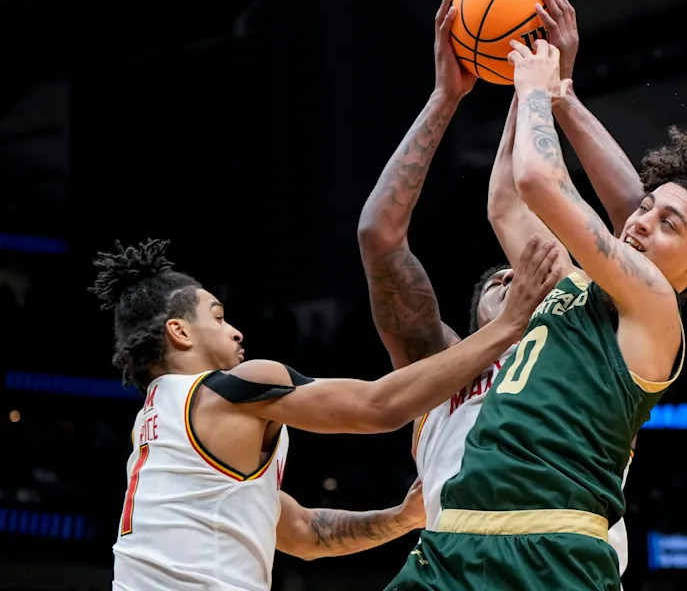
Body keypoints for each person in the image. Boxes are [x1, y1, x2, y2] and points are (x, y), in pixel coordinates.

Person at [386, 0, 687, 591]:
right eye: (646, 207)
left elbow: (539, 180)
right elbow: (508, 203)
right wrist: (533, 78)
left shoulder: (655, 308)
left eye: (668, 223)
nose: (643, 221)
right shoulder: (570, 283)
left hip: (551, 550)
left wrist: (542, 91)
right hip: (453, 541)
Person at [90, 235, 560, 591]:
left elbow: (303, 533)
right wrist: (508, 325)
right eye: (216, 317)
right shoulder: (236, 387)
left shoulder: (156, 426)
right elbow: (380, 406)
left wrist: (402, 517)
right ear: (179, 332)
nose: (234, 331)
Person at [358, 0, 637, 579]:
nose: (515, 272)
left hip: (564, 564)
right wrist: (445, 97)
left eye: (522, 269)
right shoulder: (439, 367)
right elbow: (380, 237)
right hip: (455, 564)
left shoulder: (594, 340)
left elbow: (627, 224)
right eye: (499, 278)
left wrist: (543, 82)